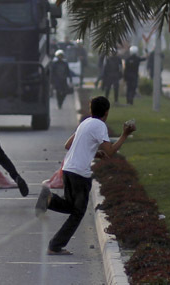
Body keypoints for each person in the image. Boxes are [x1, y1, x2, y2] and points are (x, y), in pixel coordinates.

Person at [35, 96, 136, 255]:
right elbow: (110, 151)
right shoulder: (100, 125)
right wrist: (125, 134)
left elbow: (68, 145)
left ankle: (49, 199)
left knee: (71, 206)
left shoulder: (85, 123)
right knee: (78, 212)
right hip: (80, 174)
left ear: (91, 110)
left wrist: (94, 153)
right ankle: (55, 246)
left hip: (68, 169)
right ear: (106, 112)